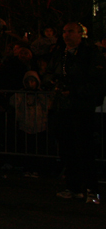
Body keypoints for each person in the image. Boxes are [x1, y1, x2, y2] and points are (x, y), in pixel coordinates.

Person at [44, 22, 106, 204]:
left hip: (81, 108)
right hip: (63, 107)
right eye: (64, 31)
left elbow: (98, 83)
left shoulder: (91, 53)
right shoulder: (60, 53)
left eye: (70, 31)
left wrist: (75, 91)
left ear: (80, 34)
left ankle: (91, 189)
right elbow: (49, 72)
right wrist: (52, 84)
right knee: (67, 148)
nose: (66, 35)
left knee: (84, 149)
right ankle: (73, 187)